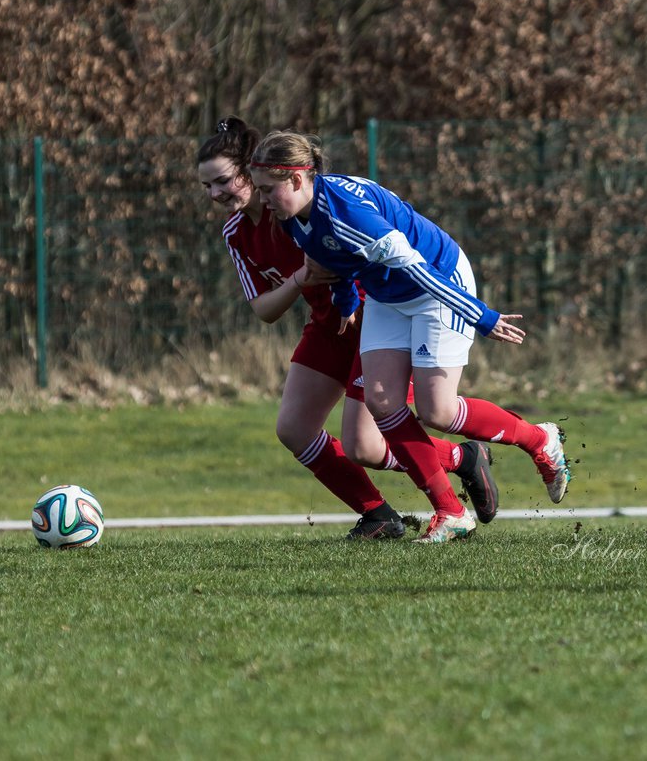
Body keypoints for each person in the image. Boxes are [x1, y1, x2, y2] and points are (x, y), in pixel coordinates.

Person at [248, 130, 570, 544]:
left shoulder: (349, 213)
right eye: (258, 190)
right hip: (386, 295)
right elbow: (335, 259)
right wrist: (346, 300)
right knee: (383, 403)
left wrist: (482, 316)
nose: (263, 200)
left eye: (268, 189)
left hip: (436, 282)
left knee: (437, 410)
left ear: (296, 179)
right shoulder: (293, 216)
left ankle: (538, 438)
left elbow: (417, 268)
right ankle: (450, 512)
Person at [197, 117, 499, 540]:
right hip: (326, 324)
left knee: (367, 447)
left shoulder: (291, 207)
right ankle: (380, 513)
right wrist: (300, 279)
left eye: (222, 180)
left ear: (254, 172)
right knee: (293, 429)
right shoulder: (238, 232)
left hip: (369, 317)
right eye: (207, 186)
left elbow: (364, 252)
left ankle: (459, 474)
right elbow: (264, 309)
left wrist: (479, 315)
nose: (215, 193)